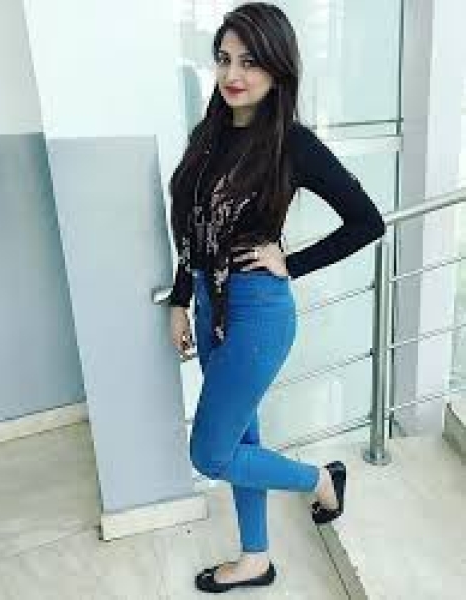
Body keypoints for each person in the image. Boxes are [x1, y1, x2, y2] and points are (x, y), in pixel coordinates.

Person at [167, 2, 385, 594]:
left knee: (210, 454)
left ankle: (321, 481)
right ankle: (256, 558)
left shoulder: (293, 144)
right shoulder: (207, 135)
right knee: (241, 438)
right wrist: (181, 299)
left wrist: (292, 263)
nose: (232, 74)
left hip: (258, 312)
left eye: (250, 61)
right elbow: (191, 230)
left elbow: (366, 221)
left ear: (278, 68)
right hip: (210, 307)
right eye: (224, 59)